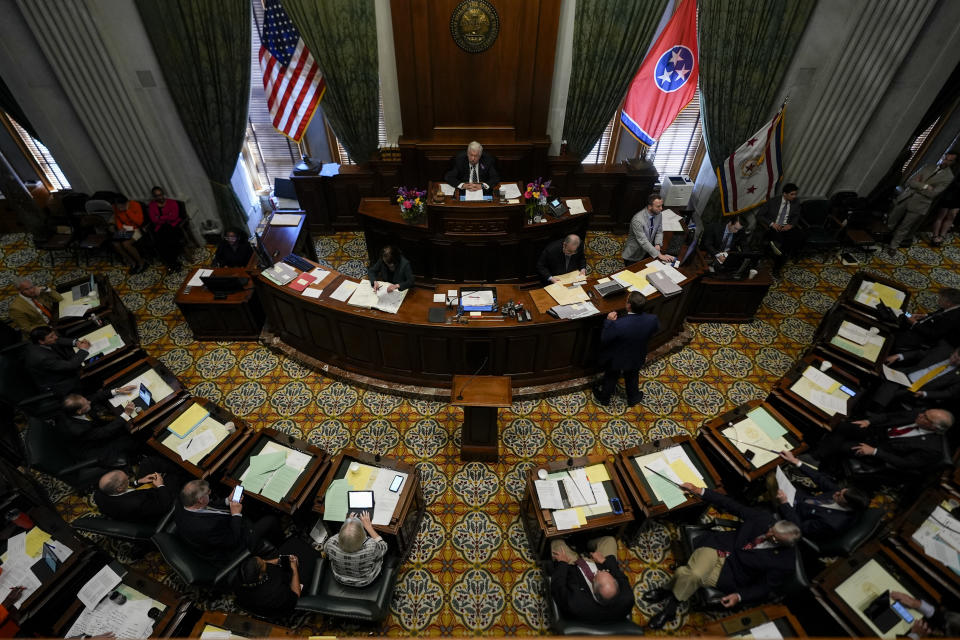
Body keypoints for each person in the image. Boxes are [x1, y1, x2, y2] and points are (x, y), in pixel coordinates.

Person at [644, 484, 801, 630]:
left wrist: (739, 596)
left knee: (683, 573)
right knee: (694, 574)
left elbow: (765, 587)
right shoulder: (764, 519)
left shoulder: (784, 562)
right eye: (771, 530)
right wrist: (700, 491)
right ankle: (670, 609)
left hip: (729, 574)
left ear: (783, 544)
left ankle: (665, 591)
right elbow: (733, 506)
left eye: (773, 538)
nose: (768, 535)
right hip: (717, 548)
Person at [814, 409, 954, 480]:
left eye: (925, 417)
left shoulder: (932, 449)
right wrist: (869, 421)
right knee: (843, 426)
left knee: (843, 445)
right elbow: (889, 416)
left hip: (880, 451)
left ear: (934, 427)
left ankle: (817, 460)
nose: (920, 415)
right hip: (875, 431)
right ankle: (818, 458)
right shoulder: (919, 414)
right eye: (924, 413)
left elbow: (905, 463)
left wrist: (874, 452)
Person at [175, 479, 281, 564]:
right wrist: (235, 515)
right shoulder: (206, 527)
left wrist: (227, 501)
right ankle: (280, 545)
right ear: (200, 500)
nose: (210, 493)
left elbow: (209, 505)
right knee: (271, 520)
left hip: (221, 528)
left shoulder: (183, 501)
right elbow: (233, 541)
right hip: (233, 547)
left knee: (247, 502)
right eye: (208, 493)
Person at [774, 450, 870, 542]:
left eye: (839, 495)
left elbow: (799, 527)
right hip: (805, 500)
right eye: (841, 491)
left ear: (847, 505)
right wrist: (795, 461)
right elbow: (820, 479)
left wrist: (784, 503)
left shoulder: (831, 523)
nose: (836, 492)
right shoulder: (843, 494)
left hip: (794, 514)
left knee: (771, 480)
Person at [594, 291, 659, 407]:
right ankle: (633, 398)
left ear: (628, 305)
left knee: (611, 376)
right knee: (632, 375)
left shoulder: (618, 324)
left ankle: (605, 398)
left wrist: (608, 321)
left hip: (617, 356)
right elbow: (654, 331)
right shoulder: (652, 319)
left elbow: (605, 338)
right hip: (637, 354)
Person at [549, 535, 634, 624]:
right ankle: (588, 543)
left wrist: (562, 563)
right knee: (609, 540)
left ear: (594, 590)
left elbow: (557, 585)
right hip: (599, 562)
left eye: (596, 575)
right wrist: (605, 562)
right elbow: (620, 576)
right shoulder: (627, 599)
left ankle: (575, 548)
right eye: (604, 572)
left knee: (556, 542)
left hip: (573, 567)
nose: (598, 571)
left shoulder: (575, 603)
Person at [886, 149, 957, 254]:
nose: (945, 161)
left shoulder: (948, 177)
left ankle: (893, 247)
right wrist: (925, 186)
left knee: (904, 227)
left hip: (920, 204)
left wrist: (918, 184)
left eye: (949, 160)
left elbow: (933, 193)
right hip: (906, 197)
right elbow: (910, 181)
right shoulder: (928, 166)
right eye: (945, 158)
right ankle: (882, 239)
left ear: (953, 162)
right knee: (891, 220)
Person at [235, 538, 318, 618]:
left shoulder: (241, 578)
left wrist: (279, 560)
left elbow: (264, 563)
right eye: (263, 563)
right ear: (260, 576)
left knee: (293, 543)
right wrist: (294, 569)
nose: (265, 561)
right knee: (311, 559)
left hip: (273, 583)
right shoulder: (274, 593)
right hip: (289, 595)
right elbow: (296, 594)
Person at [56, 388, 140, 465]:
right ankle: (137, 459)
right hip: (91, 449)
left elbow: (93, 398)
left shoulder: (68, 408)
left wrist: (117, 391)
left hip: (90, 431)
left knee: (117, 426)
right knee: (129, 440)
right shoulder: (79, 431)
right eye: (87, 404)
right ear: (79, 411)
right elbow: (105, 432)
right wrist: (126, 414)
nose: (89, 402)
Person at [94, 456, 182, 523]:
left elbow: (121, 486)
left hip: (136, 495)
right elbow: (165, 506)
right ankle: (183, 470)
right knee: (174, 477)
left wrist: (138, 481)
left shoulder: (99, 492)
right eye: (127, 479)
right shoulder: (136, 503)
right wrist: (160, 485)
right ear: (119, 488)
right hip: (155, 501)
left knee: (148, 462)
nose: (129, 477)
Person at [873, 343, 960, 410]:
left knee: (891, 386)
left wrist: (925, 394)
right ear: (955, 351)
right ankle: (875, 411)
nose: (954, 361)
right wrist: (898, 356)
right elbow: (919, 354)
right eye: (955, 356)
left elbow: (948, 393)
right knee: (890, 383)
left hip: (917, 390)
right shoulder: (942, 350)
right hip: (906, 375)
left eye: (958, 361)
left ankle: (874, 410)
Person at [322, 511, 388, 587]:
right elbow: (384, 546)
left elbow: (326, 550)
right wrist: (369, 527)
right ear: (364, 536)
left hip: (340, 578)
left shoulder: (331, 542)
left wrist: (348, 524)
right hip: (364, 581)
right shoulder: (371, 547)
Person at [24, 326, 89, 395]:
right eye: (51, 337)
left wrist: (76, 342)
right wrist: (83, 350)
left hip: (59, 368)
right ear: (41, 341)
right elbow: (71, 366)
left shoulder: (36, 342)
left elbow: (58, 340)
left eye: (54, 334)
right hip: (60, 384)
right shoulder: (43, 358)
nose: (56, 337)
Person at [893, 287, 960, 351]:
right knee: (903, 315)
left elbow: (932, 335)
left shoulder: (951, 319)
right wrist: (923, 315)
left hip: (923, 338)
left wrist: (914, 323)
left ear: (948, 303)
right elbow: (939, 312)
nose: (938, 300)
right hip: (923, 323)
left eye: (940, 299)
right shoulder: (951, 306)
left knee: (893, 339)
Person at [758, 183, 802, 275]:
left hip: (786, 228)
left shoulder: (796, 202)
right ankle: (776, 268)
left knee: (796, 239)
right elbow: (760, 215)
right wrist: (772, 224)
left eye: (795, 194)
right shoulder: (772, 201)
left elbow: (796, 216)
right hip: (774, 228)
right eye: (792, 194)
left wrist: (791, 225)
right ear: (784, 194)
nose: (794, 196)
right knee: (781, 246)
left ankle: (784, 259)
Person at [622, 194, 674, 264]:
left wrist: (658, 244)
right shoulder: (637, 220)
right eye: (658, 206)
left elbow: (659, 231)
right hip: (635, 253)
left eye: (662, 205)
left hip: (648, 250)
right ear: (649, 207)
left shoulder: (659, 214)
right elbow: (643, 241)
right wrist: (659, 255)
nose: (661, 208)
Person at [147, 185, 184, 270]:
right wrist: (167, 216)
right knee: (160, 243)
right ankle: (172, 263)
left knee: (169, 239)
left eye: (160, 194)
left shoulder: (172, 202)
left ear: (163, 194)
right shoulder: (152, 205)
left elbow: (174, 217)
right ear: (154, 197)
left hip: (173, 226)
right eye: (157, 196)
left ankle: (173, 263)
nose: (159, 197)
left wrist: (160, 217)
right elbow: (154, 219)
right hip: (160, 228)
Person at [111, 195, 146, 274]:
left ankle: (141, 262)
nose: (119, 209)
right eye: (118, 207)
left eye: (121, 207)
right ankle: (132, 262)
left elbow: (139, 222)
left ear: (126, 203)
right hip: (125, 228)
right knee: (115, 244)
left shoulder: (135, 205)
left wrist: (127, 211)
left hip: (136, 228)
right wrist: (120, 228)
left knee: (126, 244)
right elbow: (117, 218)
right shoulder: (115, 207)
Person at [930, 171, 960, 246]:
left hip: (959, 198)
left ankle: (942, 236)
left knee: (952, 216)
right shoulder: (957, 171)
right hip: (949, 195)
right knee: (941, 216)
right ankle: (935, 236)